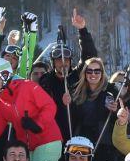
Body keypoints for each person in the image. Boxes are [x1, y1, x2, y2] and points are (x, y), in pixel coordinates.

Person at [0, 57, 64, 161]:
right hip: (27, 147)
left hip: (47, 140)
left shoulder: (27, 86)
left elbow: (49, 106)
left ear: (4, 74)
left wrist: (38, 124)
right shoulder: (0, 102)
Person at [37, 9, 98, 141]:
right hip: (53, 137)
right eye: (59, 60)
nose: (63, 63)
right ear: (53, 63)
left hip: (78, 134)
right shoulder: (46, 80)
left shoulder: (77, 76)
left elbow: (90, 57)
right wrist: (59, 101)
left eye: (66, 60)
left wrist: (82, 30)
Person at [69, 56, 120, 161]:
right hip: (83, 143)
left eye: (97, 71)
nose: (93, 74)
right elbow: (73, 118)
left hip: (104, 143)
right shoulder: (77, 92)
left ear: (102, 74)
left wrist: (116, 111)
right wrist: (68, 103)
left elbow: (120, 118)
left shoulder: (111, 91)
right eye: (89, 71)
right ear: (84, 73)